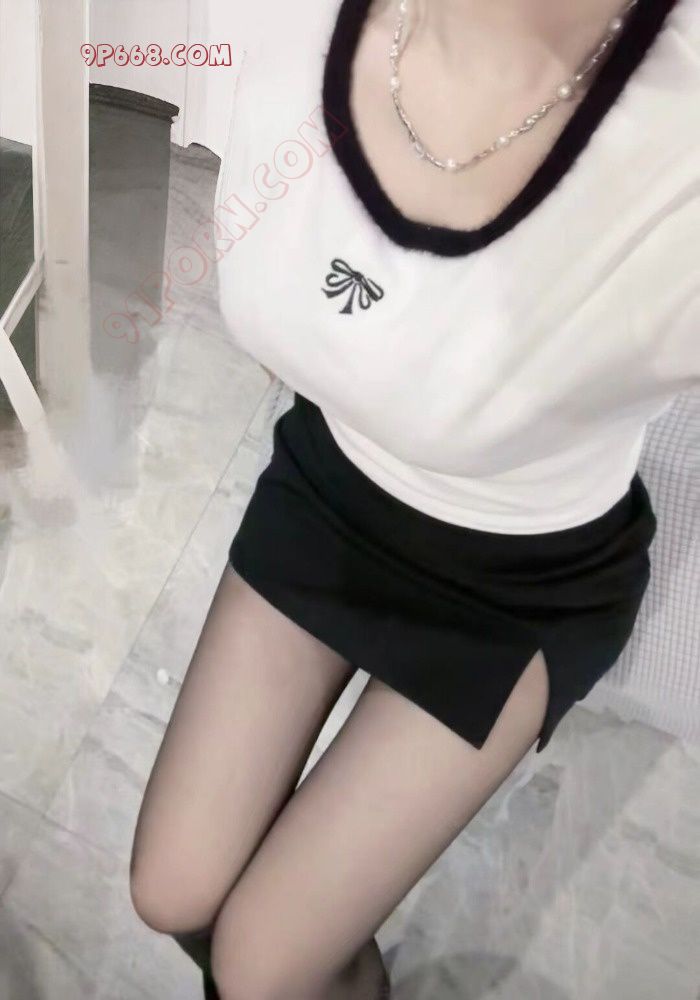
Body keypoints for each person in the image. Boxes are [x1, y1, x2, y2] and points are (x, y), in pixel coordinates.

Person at [128, 0, 697, 997]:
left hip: (521, 584)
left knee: (260, 966)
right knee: (172, 891)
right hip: (333, 488)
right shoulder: (293, 24)